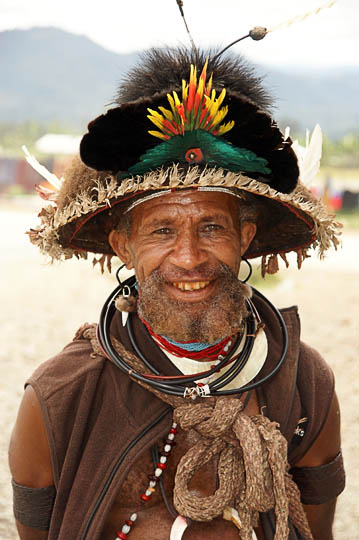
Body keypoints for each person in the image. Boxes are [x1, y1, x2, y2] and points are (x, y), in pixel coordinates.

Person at [9, 48, 345, 540]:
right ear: (122, 245)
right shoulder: (60, 398)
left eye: (212, 227)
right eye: (162, 231)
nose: (189, 257)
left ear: (246, 238)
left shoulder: (303, 384)